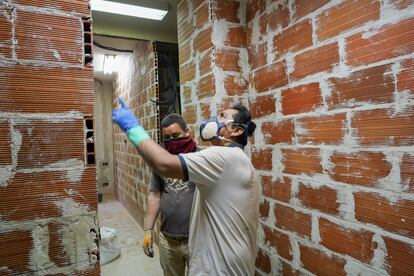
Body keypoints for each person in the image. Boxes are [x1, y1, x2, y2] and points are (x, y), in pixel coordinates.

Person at [112, 97, 258, 275]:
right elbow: (156, 193)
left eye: (221, 115)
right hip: (218, 258)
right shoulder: (236, 159)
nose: (213, 118)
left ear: (235, 130)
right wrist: (149, 229)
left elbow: (163, 164)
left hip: (219, 267)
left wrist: (132, 127)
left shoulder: (223, 158)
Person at [143, 113, 198, 276]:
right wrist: (148, 229)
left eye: (176, 135)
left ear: (187, 131)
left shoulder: (202, 158)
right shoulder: (161, 161)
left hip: (198, 239)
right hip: (168, 239)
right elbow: (155, 195)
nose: (172, 141)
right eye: (167, 138)